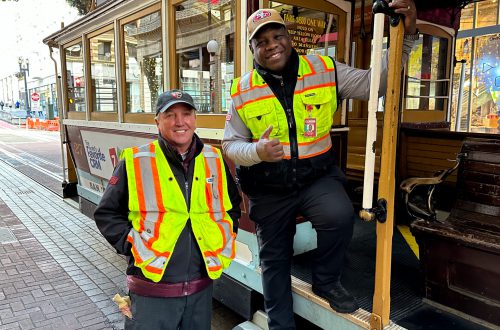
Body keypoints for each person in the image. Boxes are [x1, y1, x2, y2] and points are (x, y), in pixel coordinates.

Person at [223, 3, 417, 329]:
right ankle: (281, 326)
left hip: (316, 178)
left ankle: (325, 281)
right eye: (261, 41)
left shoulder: (325, 68)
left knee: (340, 216)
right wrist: (257, 151)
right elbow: (230, 145)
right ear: (253, 48)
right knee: (274, 260)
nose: (271, 45)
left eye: (277, 35)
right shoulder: (243, 90)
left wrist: (406, 38)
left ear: (288, 36)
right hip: (269, 186)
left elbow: (376, 84)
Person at [94, 89, 241, 330]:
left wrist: (225, 236)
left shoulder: (214, 158)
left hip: (200, 290)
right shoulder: (135, 160)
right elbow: (107, 213)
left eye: (186, 113)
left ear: (195, 119)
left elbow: (232, 207)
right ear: (157, 122)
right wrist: (133, 244)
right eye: (170, 115)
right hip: (152, 292)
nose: (180, 121)